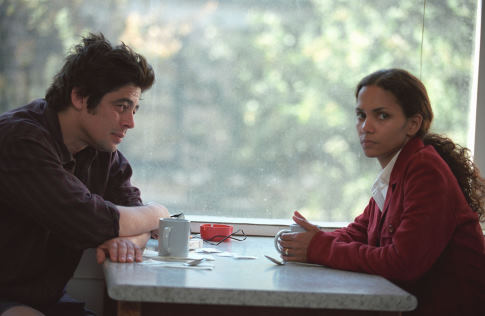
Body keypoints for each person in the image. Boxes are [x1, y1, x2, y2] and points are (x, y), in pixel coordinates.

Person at [278, 69, 485, 315]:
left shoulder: (424, 170)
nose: (366, 127)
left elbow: (402, 263)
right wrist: (315, 239)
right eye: (360, 115)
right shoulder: (398, 168)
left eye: (382, 116)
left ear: (413, 124)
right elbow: (362, 231)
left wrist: (318, 247)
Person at [0, 33, 170, 316]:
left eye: (135, 109)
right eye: (121, 106)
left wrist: (128, 241)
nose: (130, 122)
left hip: (46, 301)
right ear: (79, 97)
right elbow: (90, 221)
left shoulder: (102, 151)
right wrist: (159, 212)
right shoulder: (19, 140)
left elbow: (131, 219)